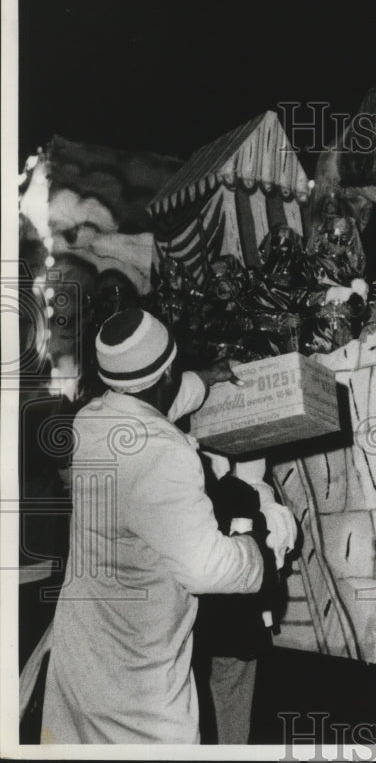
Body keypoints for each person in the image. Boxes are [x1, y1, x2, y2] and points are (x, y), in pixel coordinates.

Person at [41, 309, 272, 744]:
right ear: (168, 370)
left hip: (85, 663)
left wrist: (207, 376)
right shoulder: (163, 455)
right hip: (138, 690)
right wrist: (255, 547)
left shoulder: (90, 420)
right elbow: (206, 569)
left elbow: (153, 399)